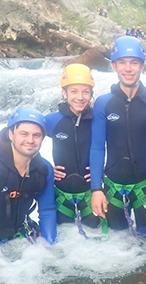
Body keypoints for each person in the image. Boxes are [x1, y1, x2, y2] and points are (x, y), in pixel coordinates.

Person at [90, 36, 146, 235]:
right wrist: (96, 189)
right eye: (122, 63)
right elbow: (97, 147)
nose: (128, 68)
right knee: (118, 248)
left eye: (134, 63)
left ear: (142, 66)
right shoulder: (103, 103)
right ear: (114, 66)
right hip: (112, 188)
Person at [45, 63, 100, 232]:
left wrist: (102, 170)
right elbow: (25, 140)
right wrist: (46, 169)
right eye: (74, 91)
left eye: (85, 91)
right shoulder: (52, 120)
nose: (80, 97)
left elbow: (115, 144)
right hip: (62, 195)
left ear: (91, 94)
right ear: (64, 93)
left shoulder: (97, 120)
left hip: (91, 195)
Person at [0, 108, 56, 245]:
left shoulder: (44, 170)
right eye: (24, 134)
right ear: (11, 134)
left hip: (17, 238)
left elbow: (47, 210)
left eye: (36, 135)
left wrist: (49, 247)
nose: (30, 140)